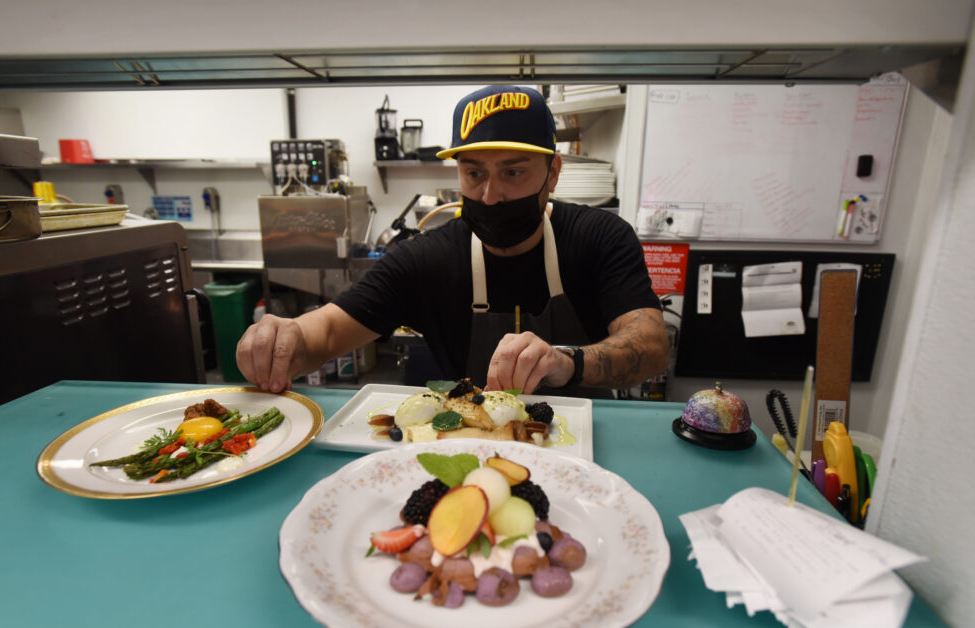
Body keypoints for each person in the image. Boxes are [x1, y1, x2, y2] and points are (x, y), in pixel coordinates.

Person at [237, 84, 669, 398]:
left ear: (553, 173)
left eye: (514, 172)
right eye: (474, 173)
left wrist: (566, 361)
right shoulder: (426, 259)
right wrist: (286, 338)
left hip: (586, 440)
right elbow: (328, 332)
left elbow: (649, 347)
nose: (490, 195)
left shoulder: (600, 239)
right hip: (469, 442)